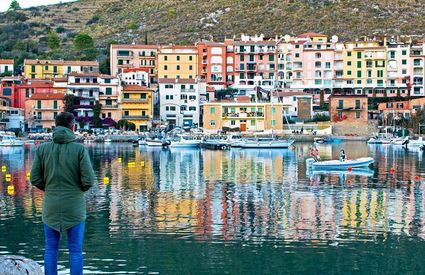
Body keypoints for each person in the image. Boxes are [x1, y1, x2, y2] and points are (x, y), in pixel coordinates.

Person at [30, 112, 95, 275]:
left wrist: (50, 189)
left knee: (51, 249)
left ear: (55, 126)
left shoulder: (42, 149)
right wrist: (76, 191)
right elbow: (89, 180)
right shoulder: (79, 150)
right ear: (73, 127)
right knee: (75, 251)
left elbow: (35, 178)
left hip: (51, 206)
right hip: (75, 208)